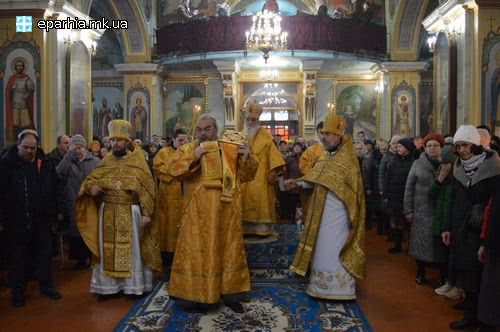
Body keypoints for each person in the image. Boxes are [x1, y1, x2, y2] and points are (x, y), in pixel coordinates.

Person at [167, 114, 258, 312]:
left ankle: (231, 295)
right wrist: (196, 155)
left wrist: (247, 155)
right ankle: (198, 295)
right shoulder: (189, 148)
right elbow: (174, 169)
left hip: (227, 210)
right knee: (199, 253)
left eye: (207, 129)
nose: (202, 133)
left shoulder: (229, 146)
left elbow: (247, 175)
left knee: (229, 251)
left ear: (215, 130)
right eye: (199, 129)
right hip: (197, 212)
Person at [76, 120, 161, 298]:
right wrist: (91, 188)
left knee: (133, 251)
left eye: (119, 140)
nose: (115, 144)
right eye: (113, 140)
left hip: (131, 211)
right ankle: (108, 288)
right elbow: (90, 180)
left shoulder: (138, 161)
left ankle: (133, 287)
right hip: (107, 212)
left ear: (127, 141)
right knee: (107, 250)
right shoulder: (105, 161)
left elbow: (148, 187)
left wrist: (146, 213)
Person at [286, 113, 366, 299]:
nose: (323, 137)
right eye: (322, 133)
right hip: (321, 213)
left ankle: (341, 290)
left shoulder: (347, 160)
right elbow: (316, 180)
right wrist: (298, 183)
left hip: (339, 216)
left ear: (339, 136)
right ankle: (320, 287)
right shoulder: (326, 158)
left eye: (328, 134)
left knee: (335, 250)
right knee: (321, 249)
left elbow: (350, 190)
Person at [442, 125, 500, 330]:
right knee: (466, 273)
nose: (461, 150)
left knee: (481, 276)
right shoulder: (458, 167)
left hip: (482, 230)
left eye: (465, 145)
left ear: (475, 146)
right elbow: (452, 199)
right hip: (461, 229)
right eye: (458, 146)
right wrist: (447, 227)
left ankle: (480, 319)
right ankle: (469, 316)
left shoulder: (493, 168)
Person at [0, 130, 63, 307]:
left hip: (42, 219)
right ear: (18, 146)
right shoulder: (6, 165)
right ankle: (18, 292)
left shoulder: (45, 163)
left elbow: (57, 186)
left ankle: (46, 287)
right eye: (25, 147)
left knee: (44, 255)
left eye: (33, 148)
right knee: (17, 258)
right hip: (16, 220)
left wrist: (59, 210)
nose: (29, 151)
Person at [404, 133, 448, 285]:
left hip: (440, 211)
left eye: (436, 145)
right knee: (420, 244)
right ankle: (420, 272)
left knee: (441, 247)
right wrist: (408, 210)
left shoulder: (447, 164)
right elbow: (409, 188)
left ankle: (442, 276)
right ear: (424, 147)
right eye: (429, 146)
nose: (432, 149)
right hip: (421, 211)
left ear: (441, 147)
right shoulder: (417, 164)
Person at [241, 104, 285, 237]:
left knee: (261, 201)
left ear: (257, 121)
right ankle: (244, 228)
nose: (249, 123)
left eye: (253, 120)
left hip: (261, 177)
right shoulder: (239, 135)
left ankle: (262, 229)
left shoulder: (266, 137)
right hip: (244, 177)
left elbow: (275, 156)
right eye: (247, 119)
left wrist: (273, 172)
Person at [56, 135, 100, 270]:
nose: (78, 150)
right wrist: (68, 157)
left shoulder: (95, 161)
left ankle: (93, 255)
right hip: (73, 200)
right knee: (76, 230)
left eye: (80, 147)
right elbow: (58, 174)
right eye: (75, 147)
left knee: (91, 228)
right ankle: (81, 259)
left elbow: (101, 178)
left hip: (90, 201)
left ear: (85, 147)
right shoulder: (68, 160)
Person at [152, 128, 188, 268]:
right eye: (180, 140)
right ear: (173, 140)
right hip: (168, 197)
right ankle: (167, 261)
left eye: (185, 140)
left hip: (184, 196)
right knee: (167, 227)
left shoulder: (188, 152)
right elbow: (157, 168)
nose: (183, 143)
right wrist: (175, 172)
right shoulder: (164, 152)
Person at [385, 138, 415, 253]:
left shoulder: (413, 162)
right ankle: (397, 245)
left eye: (400, 146)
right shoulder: (393, 161)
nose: (398, 148)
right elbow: (388, 178)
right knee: (395, 222)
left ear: (407, 148)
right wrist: (387, 194)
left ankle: (410, 247)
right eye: (397, 146)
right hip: (394, 197)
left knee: (407, 224)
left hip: (406, 198)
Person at [5, 59, 35, 143]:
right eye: (18, 66)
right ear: (15, 67)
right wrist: (11, 89)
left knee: (25, 123)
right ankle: (16, 141)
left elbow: (31, 88)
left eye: (21, 66)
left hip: (23, 104)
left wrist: (27, 94)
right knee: (16, 124)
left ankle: (25, 140)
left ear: (23, 67)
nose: (19, 67)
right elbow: (7, 91)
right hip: (14, 104)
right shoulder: (12, 78)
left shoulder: (26, 78)